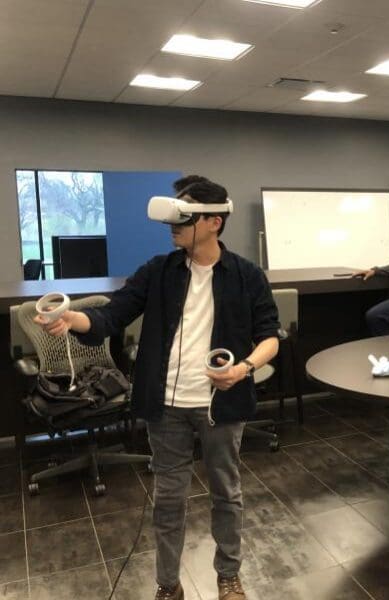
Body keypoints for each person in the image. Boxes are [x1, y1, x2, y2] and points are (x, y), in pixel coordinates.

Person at [37, 175, 280, 600]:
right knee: (169, 500)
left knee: (227, 493)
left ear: (213, 222)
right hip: (165, 407)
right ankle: (168, 584)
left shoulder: (246, 275)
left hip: (220, 405)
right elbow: (112, 316)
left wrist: (243, 368)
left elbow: (270, 337)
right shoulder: (158, 270)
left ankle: (228, 574)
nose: (172, 226)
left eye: (183, 217)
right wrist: (73, 320)